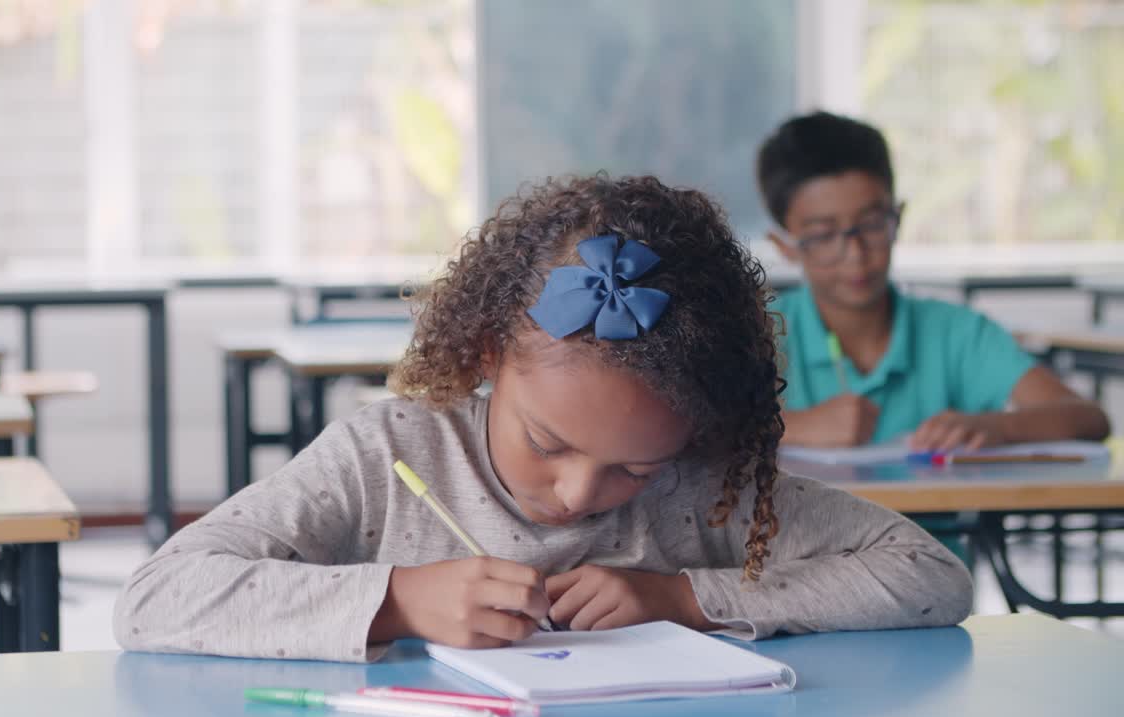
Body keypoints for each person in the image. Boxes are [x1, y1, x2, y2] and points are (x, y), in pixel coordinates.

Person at [114, 174, 972, 662]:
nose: (576, 493)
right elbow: (154, 600)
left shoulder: (699, 486)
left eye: (632, 469)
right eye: (548, 443)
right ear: (487, 351)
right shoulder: (386, 459)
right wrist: (398, 603)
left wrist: (686, 597)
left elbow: (930, 577)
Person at [759, 112, 1110, 451]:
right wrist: (795, 426)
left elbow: (1089, 419)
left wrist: (997, 426)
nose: (855, 253)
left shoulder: (955, 333)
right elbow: (703, 436)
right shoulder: (757, 333)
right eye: (823, 236)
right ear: (785, 247)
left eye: (872, 225)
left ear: (899, 218)